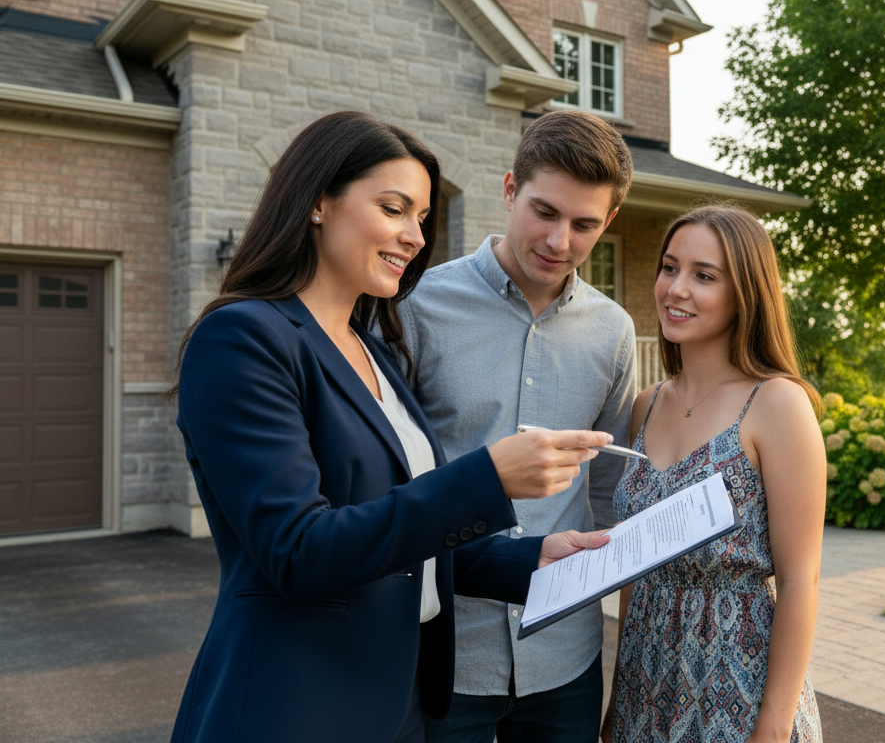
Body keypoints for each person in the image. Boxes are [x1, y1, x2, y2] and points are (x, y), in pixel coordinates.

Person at [170, 111, 614, 743]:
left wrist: (530, 559)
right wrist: (487, 478)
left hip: (396, 705)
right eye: (393, 208)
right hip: (295, 703)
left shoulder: (370, 348)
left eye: (421, 218)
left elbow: (392, 533)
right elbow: (298, 550)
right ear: (320, 202)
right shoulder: (243, 338)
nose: (413, 235)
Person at [399, 110, 638, 743]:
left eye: (585, 224)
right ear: (509, 189)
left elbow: (610, 492)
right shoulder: (418, 305)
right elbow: (391, 478)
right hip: (450, 653)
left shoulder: (614, 333)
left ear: (608, 222)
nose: (560, 240)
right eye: (544, 212)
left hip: (565, 655)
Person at [603, 205, 826, 743]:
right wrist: (617, 699)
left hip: (737, 689)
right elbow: (636, 565)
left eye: (704, 276)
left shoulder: (776, 404)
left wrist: (771, 728)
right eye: (669, 267)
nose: (676, 289)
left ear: (745, 292)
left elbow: (801, 581)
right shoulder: (646, 405)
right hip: (644, 684)